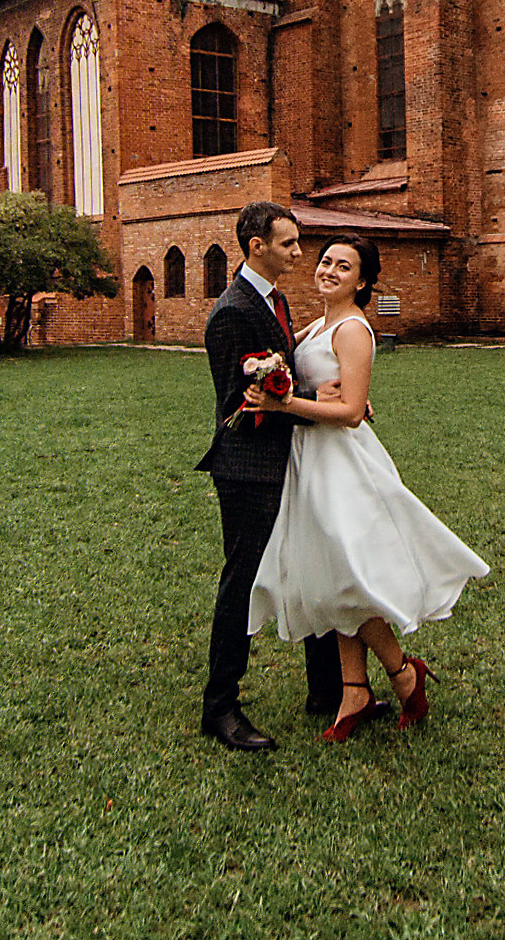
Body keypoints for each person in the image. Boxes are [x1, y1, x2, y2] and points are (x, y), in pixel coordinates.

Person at [248, 233, 489, 742]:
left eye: (344, 266)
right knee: (334, 577)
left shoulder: (353, 330)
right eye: (326, 261)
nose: (330, 270)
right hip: (312, 461)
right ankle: (354, 689)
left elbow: (353, 412)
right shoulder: (320, 321)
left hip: (342, 466)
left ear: (362, 281)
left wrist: (285, 405)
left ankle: (403, 672)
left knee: (348, 578)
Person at [194, 201, 345, 752]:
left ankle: (326, 690)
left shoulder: (272, 298)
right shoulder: (234, 311)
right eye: (288, 244)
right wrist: (312, 397)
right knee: (243, 581)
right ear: (256, 246)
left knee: (315, 564)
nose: (299, 253)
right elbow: (242, 400)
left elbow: (279, 361)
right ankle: (220, 707)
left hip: (287, 455)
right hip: (248, 468)